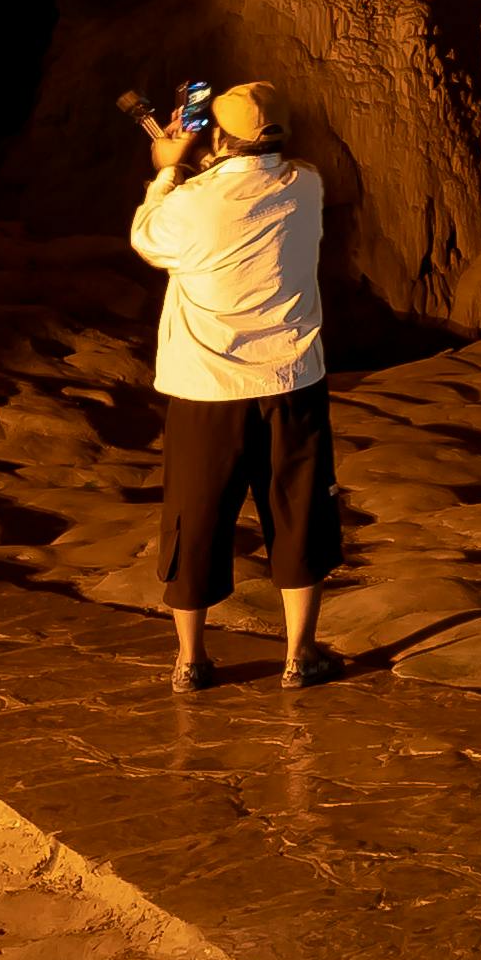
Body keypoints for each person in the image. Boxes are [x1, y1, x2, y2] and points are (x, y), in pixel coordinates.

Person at [131, 72, 344, 692]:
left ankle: (190, 660)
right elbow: (252, 179)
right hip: (292, 381)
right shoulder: (304, 186)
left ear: (218, 139)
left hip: (205, 389)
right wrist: (206, 161)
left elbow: (148, 237)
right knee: (299, 515)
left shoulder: (189, 205)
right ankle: (299, 655)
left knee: (195, 520)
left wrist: (168, 167)